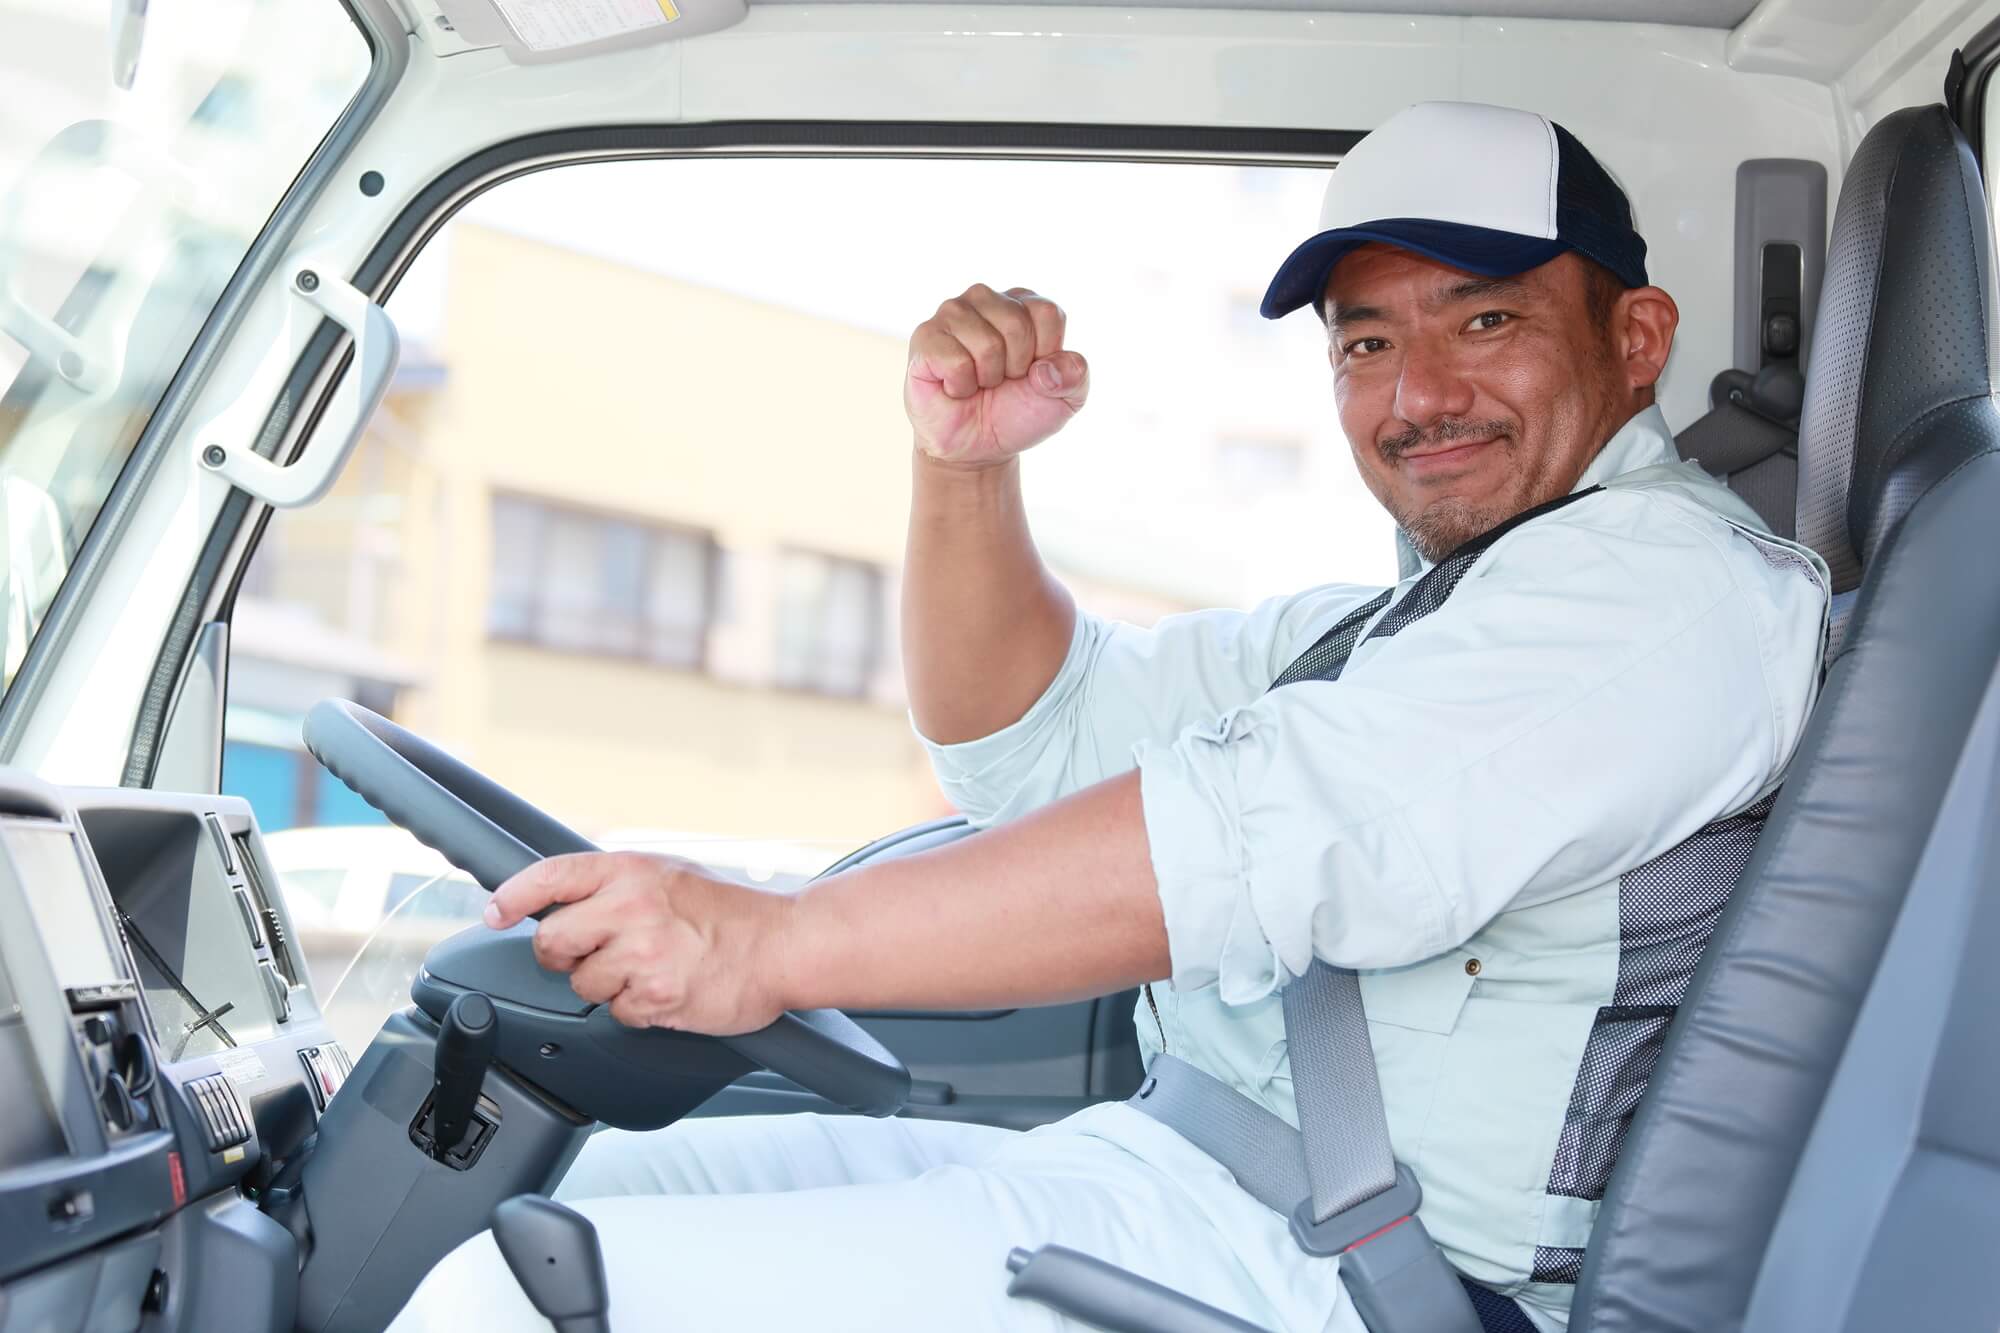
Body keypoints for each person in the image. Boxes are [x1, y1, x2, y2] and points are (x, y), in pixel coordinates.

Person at [391, 101, 1829, 1333]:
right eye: (1367, 344)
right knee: (539, 1193)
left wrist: (771, 938)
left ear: (1637, 337)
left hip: (1358, 1277)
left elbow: (1259, 838)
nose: (1420, 394)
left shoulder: (1665, 593)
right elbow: (1038, 740)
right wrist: (964, 474)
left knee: (507, 1301)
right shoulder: (1395, 627)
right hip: (1180, 1178)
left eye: (1490, 319)